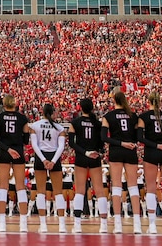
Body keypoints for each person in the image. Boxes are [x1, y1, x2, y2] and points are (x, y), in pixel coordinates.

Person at [102, 88, 142, 234]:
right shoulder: (133, 116)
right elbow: (138, 137)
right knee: (133, 187)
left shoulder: (108, 116)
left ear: (114, 101)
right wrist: (128, 142)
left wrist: (120, 143)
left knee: (117, 187)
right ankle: (137, 223)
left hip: (116, 151)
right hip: (131, 151)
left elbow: (104, 137)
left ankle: (118, 224)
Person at [137, 91, 162, 234]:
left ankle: (152, 224)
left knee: (151, 188)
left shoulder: (144, 117)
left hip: (151, 152)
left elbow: (139, 137)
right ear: (160, 102)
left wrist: (155, 145)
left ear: (149, 102)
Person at [69, 97, 109, 234]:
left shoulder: (75, 122)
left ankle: (77, 224)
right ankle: (103, 225)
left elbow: (71, 143)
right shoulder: (97, 124)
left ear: (80, 108)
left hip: (81, 157)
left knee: (79, 191)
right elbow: (102, 142)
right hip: (94, 157)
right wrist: (97, 152)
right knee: (99, 190)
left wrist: (85, 152)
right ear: (92, 108)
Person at [0, 94, 32, 233]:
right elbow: (26, 140)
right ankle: (23, 224)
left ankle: (2, 223)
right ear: (15, 104)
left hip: (4, 151)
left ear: (4, 104)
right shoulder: (22, 118)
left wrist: (7, 148)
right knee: (20, 187)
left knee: (3, 187)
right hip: (18, 152)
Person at [31, 102, 69, 234]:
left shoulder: (35, 126)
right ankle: (62, 225)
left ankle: (43, 225)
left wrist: (43, 160)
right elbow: (61, 147)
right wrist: (53, 161)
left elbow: (34, 145)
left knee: (40, 192)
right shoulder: (59, 128)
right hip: (54, 157)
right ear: (52, 113)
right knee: (58, 192)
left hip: (41, 156)